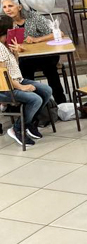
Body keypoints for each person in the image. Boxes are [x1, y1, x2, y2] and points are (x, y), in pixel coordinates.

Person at [1, 0, 66, 104]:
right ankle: (35, 103)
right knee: (25, 70)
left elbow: (59, 33)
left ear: (19, 7)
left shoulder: (33, 17)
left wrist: (37, 39)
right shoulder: (5, 23)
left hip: (43, 56)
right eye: (5, 7)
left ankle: (61, 102)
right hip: (22, 58)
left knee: (51, 69)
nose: (7, 10)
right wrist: (16, 49)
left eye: (10, 6)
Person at [0, 16, 54, 146]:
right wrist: (21, 87)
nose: (15, 30)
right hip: (7, 87)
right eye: (12, 28)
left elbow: (14, 67)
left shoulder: (6, 45)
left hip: (17, 80)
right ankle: (17, 128)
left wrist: (15, 53)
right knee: (35, 99)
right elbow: (3, 74)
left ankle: (28, 123)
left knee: (46, 90)